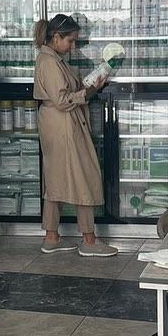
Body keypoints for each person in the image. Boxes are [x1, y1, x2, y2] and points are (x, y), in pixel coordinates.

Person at [33, 14, 117, 257]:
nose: (73, 46)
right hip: (63, 125)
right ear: (55, 37)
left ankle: (51, 238)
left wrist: (89, 84)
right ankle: (89, 241)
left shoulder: (52, 59)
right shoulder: (49, 62)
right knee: (85, 177)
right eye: (70, 41)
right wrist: (87, 92)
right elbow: (62, 100)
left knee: (56, 181)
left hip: (59, 124)